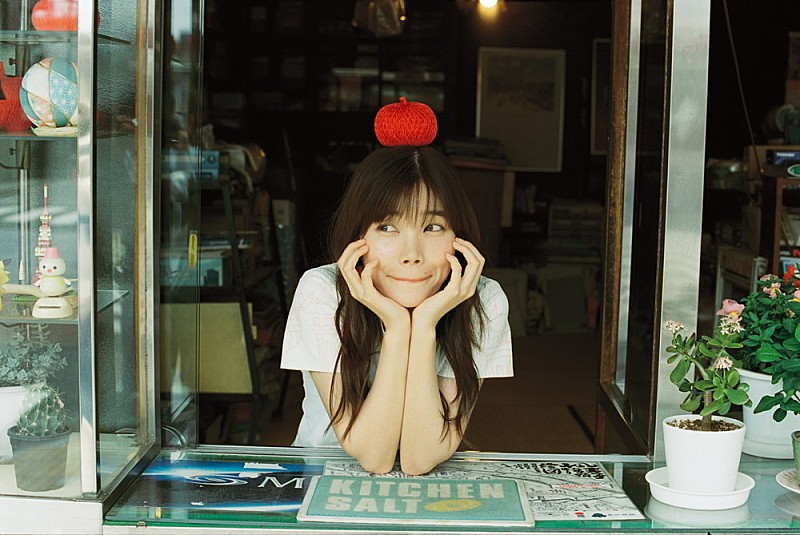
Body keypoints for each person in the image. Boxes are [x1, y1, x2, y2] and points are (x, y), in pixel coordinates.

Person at [280, 99, 513, 475]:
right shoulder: (323, 292)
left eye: (432, 227)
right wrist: (397, 326)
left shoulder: (483, 299)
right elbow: (374, 457)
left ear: (459, 236)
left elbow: (420, 459)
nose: (411, 254)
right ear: (359, 235)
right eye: (387, 227)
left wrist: (424, 325)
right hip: (321, 476)